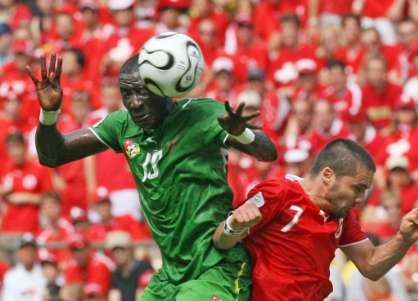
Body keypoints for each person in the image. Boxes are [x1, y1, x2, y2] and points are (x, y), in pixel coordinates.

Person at [28, 51, 277, 300]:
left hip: (215, 265)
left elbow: (267, 152)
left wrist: (242, 133)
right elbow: (52, 155)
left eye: (142, 92)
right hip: (170, 276)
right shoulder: (122, 125)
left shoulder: (202, 114)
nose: (134, 102)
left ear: (164, 88)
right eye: (127, 94)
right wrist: (48, 115)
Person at [213, 139, 418, 301]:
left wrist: (404, 239)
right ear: (328, 175)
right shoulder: (278, 193)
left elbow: (371, 265)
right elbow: (221, 241)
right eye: (357, 188)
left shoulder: (341, 214)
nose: (360, 199)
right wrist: (234, 225)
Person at [106, 231, 153, 301]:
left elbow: (144, 297)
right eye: (114, 251)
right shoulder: (116, 273)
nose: (117, 254)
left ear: (130, 249)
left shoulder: (144, 267)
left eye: (121, 249)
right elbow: (115, 296)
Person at [1, 234, 46, 301]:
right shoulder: (11, 276)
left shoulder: (45, 272)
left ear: (36, 252)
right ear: (19, 252)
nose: (28, 253)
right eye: (25, 250)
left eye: (31, 249)